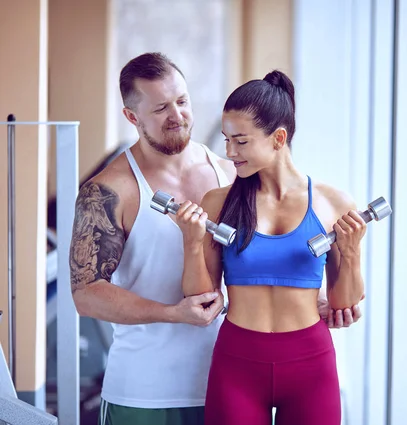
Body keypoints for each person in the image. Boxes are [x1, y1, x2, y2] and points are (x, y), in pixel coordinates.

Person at [69, 52, 360, 425]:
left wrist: (310, 296)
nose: (177, 116)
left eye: (182, 101)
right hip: (147, 389)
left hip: (226, 375)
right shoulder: (109, 191)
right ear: (132, 117)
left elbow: (269, 253)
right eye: (160, 108)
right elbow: (86, 294)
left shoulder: (232, 175)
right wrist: (171, 313)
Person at [173, 70, 367, 425]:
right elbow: (200, 296)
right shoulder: (219, 202)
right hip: (237, 364)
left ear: (278, 138)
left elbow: (344, 305)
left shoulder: (332, 203)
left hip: (311, 364)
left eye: (241, 142)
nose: (229, 152)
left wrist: (351, 252)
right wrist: (191, 241)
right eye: (226, 140)